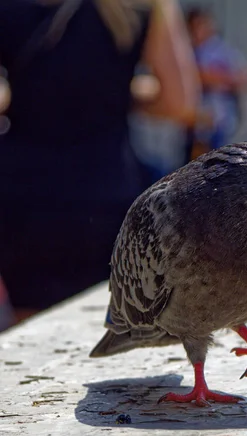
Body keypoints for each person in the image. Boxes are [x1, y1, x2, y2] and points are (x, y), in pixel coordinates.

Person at [0, 0, 198, 321]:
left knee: (29, 329)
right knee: (104, 325)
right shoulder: (143, 6)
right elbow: (180, 103)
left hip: (23, 196)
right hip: (107, 190)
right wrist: (115, 94)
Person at [186, 7, 247, 157]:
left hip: (220, 118)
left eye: (203, 25)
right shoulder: (187, 51)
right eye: (196, 26)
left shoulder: (222, 50)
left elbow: (243, 76)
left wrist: (219, 79)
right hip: (193, 119)